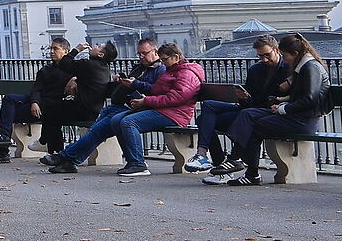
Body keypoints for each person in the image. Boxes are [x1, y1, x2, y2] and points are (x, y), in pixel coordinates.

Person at [47, 40, 201, 178]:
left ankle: (137, 163)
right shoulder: (165, 70)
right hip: (149, 107)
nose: (163, 62)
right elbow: (156, 90)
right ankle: (71, 159)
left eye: (164, 59)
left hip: (172, 113)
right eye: (139, 53)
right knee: (111, 122)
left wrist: (143, 98)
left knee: (126, 122)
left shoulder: (181, 72)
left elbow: (175, 97)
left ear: (175, 57)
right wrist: (133, 84)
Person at [219, 35, 333, 185]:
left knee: (257, 125)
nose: (284, 59)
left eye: (285, 55)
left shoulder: (311, 67)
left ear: (295, 54)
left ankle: (246, 169)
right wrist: (281, 102)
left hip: (304, 120)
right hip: (294, 114)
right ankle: (236, 161)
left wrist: (284, 109)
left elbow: (310, 99)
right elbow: (300, 95)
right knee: (247, 114)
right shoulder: (303, 67)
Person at [186, 35, 282, 174]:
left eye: (267, 55)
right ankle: (202, 154)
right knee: (208, 105)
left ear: (276, 50)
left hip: (261, 112)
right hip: (248, 108)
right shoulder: (256, 69)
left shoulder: (286, 68)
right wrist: (243, 97)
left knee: (202, 120)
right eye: (260, 56)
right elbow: (250, 100)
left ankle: (219, 162)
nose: (264, 59)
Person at [0, 38, 76, 162]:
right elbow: (36, 89)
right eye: (51, 48)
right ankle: (4, 139)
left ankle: (2, 153)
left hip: (51, 107)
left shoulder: (73, 70)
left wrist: (75, 79)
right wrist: (34, 102)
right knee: (9, 99)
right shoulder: (45, 70)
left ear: (66, 51)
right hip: (38, 104)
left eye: (55, 49)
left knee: (9, 114)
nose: (51, 51)